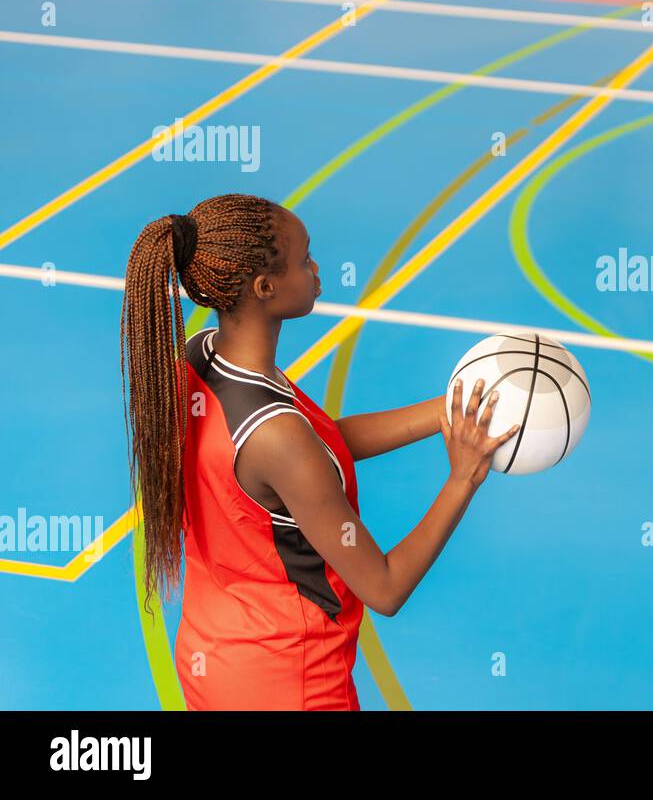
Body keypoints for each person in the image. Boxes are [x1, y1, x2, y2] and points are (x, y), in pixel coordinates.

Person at [119, 192, 518, 710]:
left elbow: (321, 446)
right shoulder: (276, 435)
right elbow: (385, 587)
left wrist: (449, 408)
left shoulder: (202, 360)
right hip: (290, 685)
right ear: (265, 287)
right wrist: (463, 479)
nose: (316, 268)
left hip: (212, 658)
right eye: (305, 258)